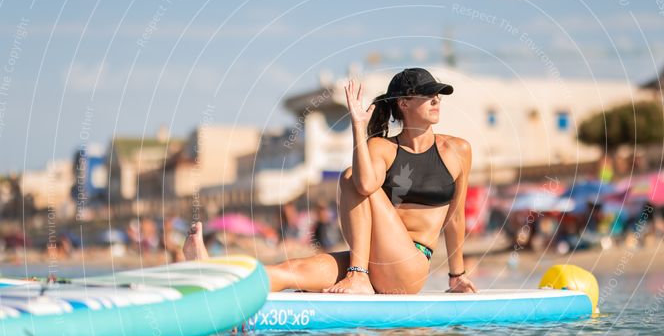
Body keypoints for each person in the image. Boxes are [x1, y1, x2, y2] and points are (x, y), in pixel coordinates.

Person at [183, 67, 478, 295]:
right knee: (290, 270)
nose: (436, 99)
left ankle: (359, 275)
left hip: (409, 267)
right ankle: (212, 276)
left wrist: (457, 275)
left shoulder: (457, 150)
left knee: (352, 177)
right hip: (368, 260)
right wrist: (358, 126)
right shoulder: (382, 148)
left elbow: (454, 219)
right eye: (427, 94)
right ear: (403, 102)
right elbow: (363, 184)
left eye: (438, 94)